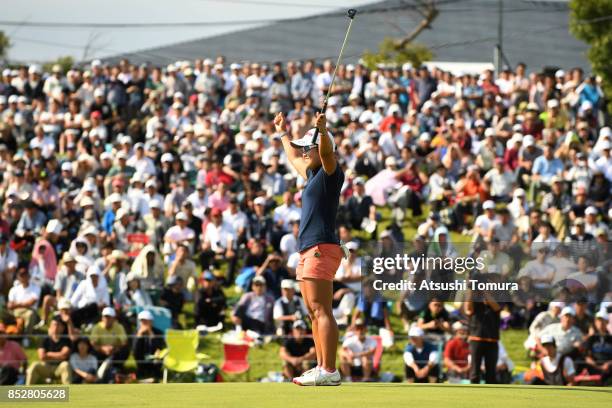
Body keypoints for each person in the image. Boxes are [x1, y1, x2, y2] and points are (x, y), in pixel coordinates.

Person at [275, 111, 345, 386]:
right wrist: (282, 132)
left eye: (308, 147)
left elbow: (328, 154)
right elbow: (292, 157)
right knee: (312, 310)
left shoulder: (330, 173)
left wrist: (323, 130)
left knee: (321, 309)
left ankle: (329, 370)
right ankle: (320, 366)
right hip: (307, 248)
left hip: (321, 246)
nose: (304, 151)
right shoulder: (312, 173)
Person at [464, 285, 501, 384]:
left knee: (491, 372)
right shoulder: (475, 301)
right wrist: (471, 289)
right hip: (476, 338)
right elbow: (468, 309)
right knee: (475, 371)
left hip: (492, 340)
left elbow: (496, 307)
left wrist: (483, 290)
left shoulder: (498, 298)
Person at [26, 319, 71, 385]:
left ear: (63, 328)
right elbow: (42, 357)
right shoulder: (44, 339)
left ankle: (69, 392)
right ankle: (27, 390)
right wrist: (59, 356)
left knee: (65, 364)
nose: (55, 327)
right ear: (50, 327)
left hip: (59, 367)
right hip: (46, 367)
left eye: (58, 325)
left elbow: (64, 355)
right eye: (54, 325)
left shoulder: (66, 340)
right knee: (34, 365)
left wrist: (49, 354)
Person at [90, 307, 129, 374]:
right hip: (101, 352)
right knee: (93, 351)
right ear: (102, 318)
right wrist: (103, 348)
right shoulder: (97, 327)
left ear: (114, 319)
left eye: (109, 317)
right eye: (105, 317)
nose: (107, 319)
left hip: (115, 352)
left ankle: (118, 370)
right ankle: (95, 370)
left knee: (125, 351)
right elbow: (93, 343)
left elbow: (124, 342)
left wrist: (114, 348)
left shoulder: (119, 327)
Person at [132, 310, 166, 381]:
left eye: (146, 321)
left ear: (151, 321)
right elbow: (135, 350)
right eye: (142, 321)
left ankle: (155, 375)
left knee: (159, 355)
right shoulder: (136, 333)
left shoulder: (158, 332)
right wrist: (139, 336)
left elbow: (160, 347)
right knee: (136, 354)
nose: (143, 323)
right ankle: (142, 375)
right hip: (141, 359)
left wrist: (151, 335)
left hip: (154, 359)